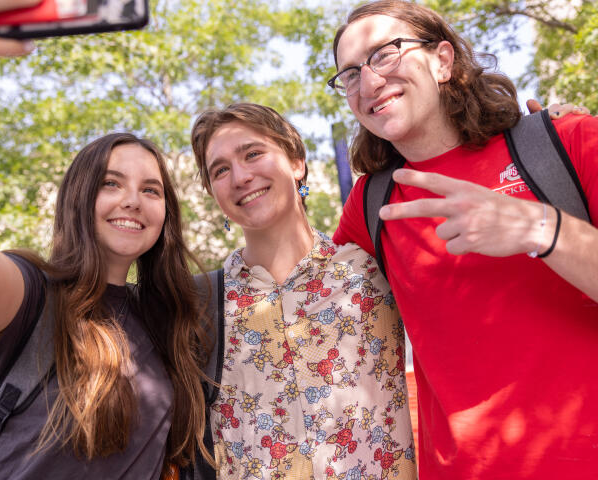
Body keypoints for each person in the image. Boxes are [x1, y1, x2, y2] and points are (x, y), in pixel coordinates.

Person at [328, 1, 598, 478]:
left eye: (386, 53)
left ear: (443, 61)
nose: (369, 83)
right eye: (349, 74)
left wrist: (540, 227)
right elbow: (306, 301)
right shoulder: (371, 203)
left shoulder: (567, 142)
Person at [0, 3, 210, 478]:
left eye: (150, 190)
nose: (132, 200)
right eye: (111, 184)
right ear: (79, 198)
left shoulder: (167, 321)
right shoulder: (30, 296)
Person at [191, 103, 416, 480]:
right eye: (221, 170)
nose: (241, 176)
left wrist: (535, 142)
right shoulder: (199, 304)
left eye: (253, 154)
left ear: (297, 162)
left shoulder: (372, 268)